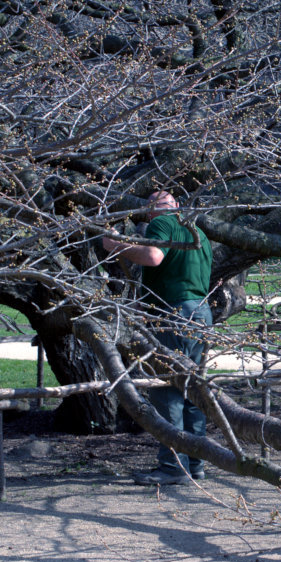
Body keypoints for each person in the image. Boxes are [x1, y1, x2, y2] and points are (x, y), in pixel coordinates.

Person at [102, 190, 213, 485]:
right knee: (194, 391)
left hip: (174, 315)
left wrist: (116, 246)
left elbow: (153, 256)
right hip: (201, 315)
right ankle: (197, 463)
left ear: (155, 211)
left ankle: (173, 467)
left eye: (156, 207)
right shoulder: (198, 233)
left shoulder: (162, 223)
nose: (155, 212)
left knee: (168, 390)